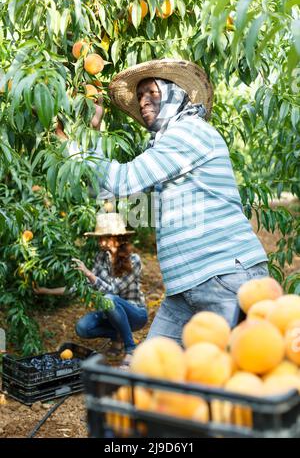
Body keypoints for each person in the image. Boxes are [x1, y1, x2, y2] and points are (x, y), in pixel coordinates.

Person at [80, 58, 269, 348]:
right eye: (140, 96)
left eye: (151, 93)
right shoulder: (165, 145)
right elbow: (105, 191)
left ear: (173, 94)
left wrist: (71, 146)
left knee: (235, 379)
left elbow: (123, 180)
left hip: (224, 276)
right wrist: (91, 132)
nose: (143, 102)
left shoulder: (188, 132)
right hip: (188, 286)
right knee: (152, 374)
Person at [34, 212, 148, 365]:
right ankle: (117, 336)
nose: (100, 242)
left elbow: (113, 290)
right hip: (111, 314)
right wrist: (46, 291)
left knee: (108, 300)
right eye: (99, 237)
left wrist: (89, 274)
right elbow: (80, 287)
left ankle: (130, 349)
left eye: (104, 237)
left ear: (117, 238)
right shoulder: (100, 258)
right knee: (83, 328)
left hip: (136, 314)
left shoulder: (134, 260)